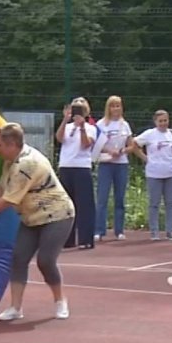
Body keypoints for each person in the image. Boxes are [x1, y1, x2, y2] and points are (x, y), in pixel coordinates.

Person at [0, 122, 74, 321]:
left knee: (45, 261)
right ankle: (15, 307)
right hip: (30, 218)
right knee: (18, 257)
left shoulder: (26, 164)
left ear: (12, 144)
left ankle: (60, 300)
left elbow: (7, 200)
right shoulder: (10, 162)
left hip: (57, 215)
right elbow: (2, 189)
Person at [133, 110, 172, 241]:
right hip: (154, 173)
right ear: (155, 122)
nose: (163, 123)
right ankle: (154, 232)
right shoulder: (150, 134)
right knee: (154, 203)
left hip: (171, 173)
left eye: (165, 120)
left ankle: (170, 231)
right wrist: (145, 158)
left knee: (171, 203)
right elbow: (134, 144)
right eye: (160, 121)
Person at [55, 97, 98, 249]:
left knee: (84, 205)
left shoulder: (91, 128)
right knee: (66, 205)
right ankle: (67, 239)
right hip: (66, 166)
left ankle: (86, 239)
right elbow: (59, 138)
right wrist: (65, 120)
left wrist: (82, 127)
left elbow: (86, 144)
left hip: (81, 167)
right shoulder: (67, 127)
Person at [95, 95, 133, 242]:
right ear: (108, 108)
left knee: (120, 198)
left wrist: (122, 151)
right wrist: (110, 151)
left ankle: (119, 231)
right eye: (113, 106)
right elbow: (97, 144)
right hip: (106, 164)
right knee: (102, 198)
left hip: (121, 164)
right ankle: (99, 230)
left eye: (118, 105)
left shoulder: (125, 125)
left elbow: (131, 145)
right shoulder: (101, 124)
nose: (116, 108)